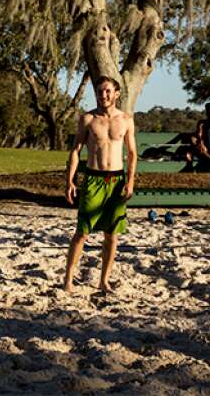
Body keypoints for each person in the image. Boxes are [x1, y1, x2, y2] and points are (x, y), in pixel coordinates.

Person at [62, 76, 136, 293]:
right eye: (99, 91)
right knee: (82, 232)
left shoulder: (126, 120)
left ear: (116, 93)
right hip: (93, 180)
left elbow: (132, 153)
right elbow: (75, 151)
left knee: (112, 235)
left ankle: (104, 280)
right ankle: (68, 279)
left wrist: (130, 182)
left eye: (107, 91)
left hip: (116, 181)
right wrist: (70, 181)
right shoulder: (88, 119)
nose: (102, 95)